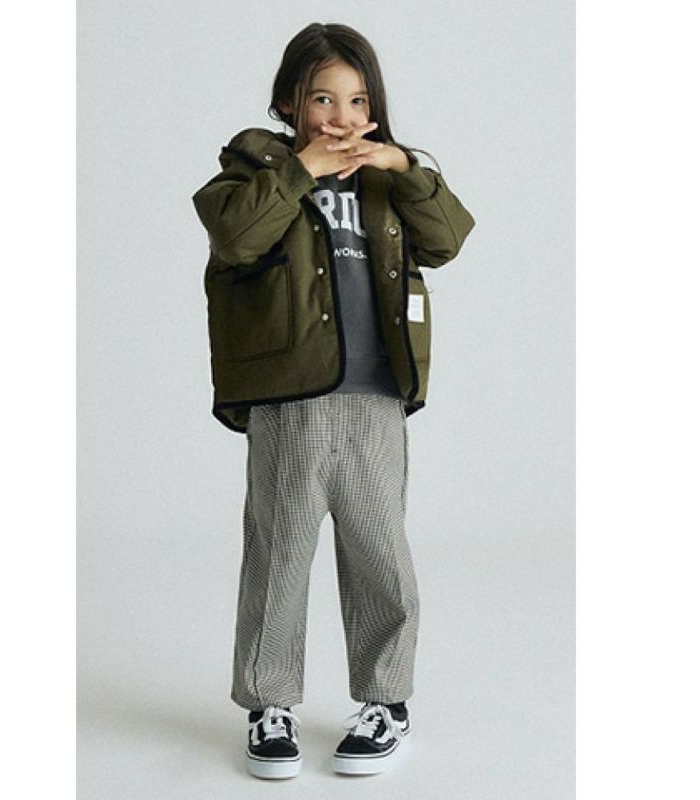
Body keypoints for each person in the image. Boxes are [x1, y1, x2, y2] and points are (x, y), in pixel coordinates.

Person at [191, 21, 475, 780]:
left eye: (357, 100)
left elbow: (448, 239)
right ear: (290, 102)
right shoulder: (251, 172)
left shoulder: (389, 180)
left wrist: (406, 166)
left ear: (374, 108)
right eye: (322, 98)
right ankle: (269, 703)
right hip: (291, 395)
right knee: (280, 551)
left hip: (376, 395)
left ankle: (386, 701)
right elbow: (236, 238)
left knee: (381, 553)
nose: (341, 116)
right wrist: (300, 171)